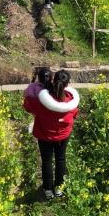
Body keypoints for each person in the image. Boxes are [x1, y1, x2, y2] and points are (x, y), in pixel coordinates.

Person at [23, 69, 79, 200]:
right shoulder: (72, 102)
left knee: (47, 162)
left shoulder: (42, 102)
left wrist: (35, 91)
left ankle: (48, 190)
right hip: (63, 136)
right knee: (61, 159)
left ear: (53, 81)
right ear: (68, 84)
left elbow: (26, 105)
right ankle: (59, 188)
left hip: (45, 136)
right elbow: (74, 115)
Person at [23, 68, 52, 134]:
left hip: (36, 108)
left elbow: (25, 94)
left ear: (38, 78)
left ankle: (37, 125)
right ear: (51, 78)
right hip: (49, 110)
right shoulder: (54, 86)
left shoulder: (33, 86)